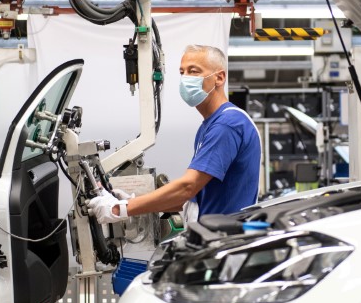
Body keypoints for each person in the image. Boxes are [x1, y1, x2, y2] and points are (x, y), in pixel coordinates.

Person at [88, 44, 261, 224]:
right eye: (182, 72)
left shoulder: (227, 124)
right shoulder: (209, 126)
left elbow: (187, 187)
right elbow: (187, 199)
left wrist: (119, 210)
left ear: (219, 77)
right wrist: (130, 202)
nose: (186, 78)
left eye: (193, 71)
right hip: (212, 236)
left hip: (225, 241)